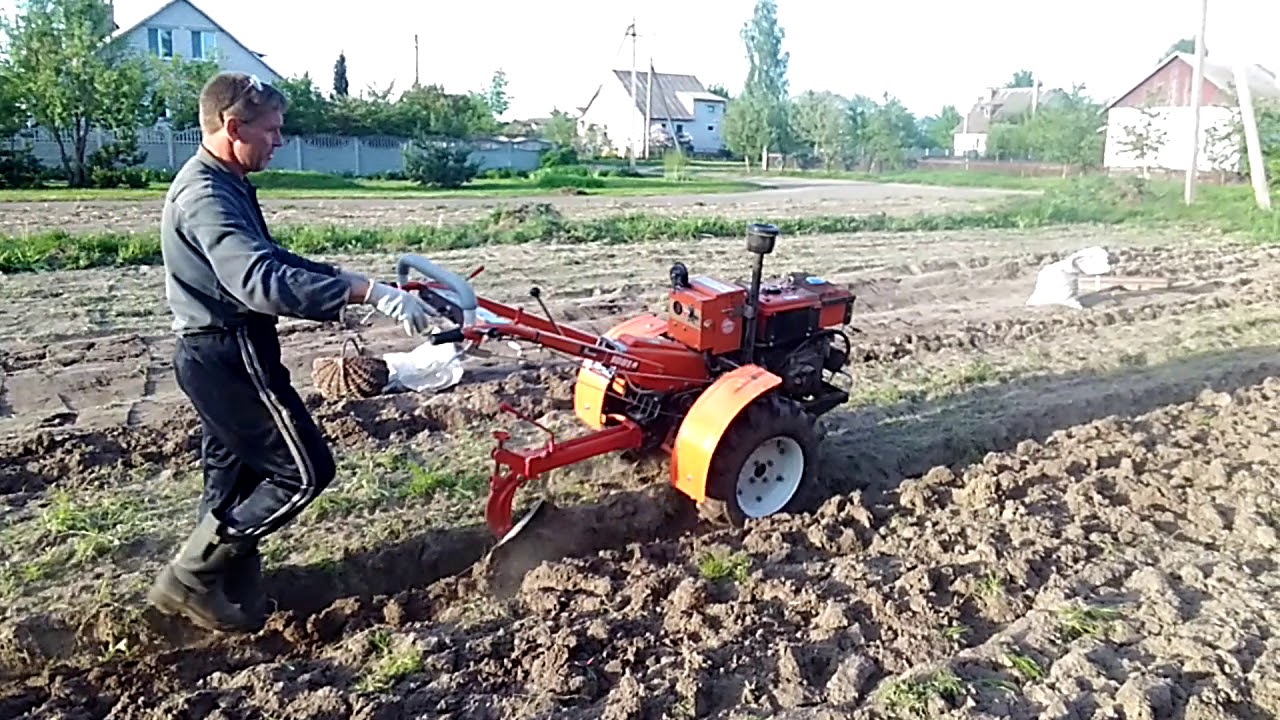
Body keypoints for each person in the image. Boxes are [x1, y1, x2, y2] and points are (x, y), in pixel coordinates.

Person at [147, 71, 435, 633]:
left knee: (234, 481)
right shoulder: (206, 194)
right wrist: (363, 293)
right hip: (231, 352)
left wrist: (353, 279)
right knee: (303, 472)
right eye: (272, 130)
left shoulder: (220, 181)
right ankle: (189, 577)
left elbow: (271, 256)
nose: (280, 141)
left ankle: (228, 591)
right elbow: (258, 279)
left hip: (213, 353)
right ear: (233, 126)